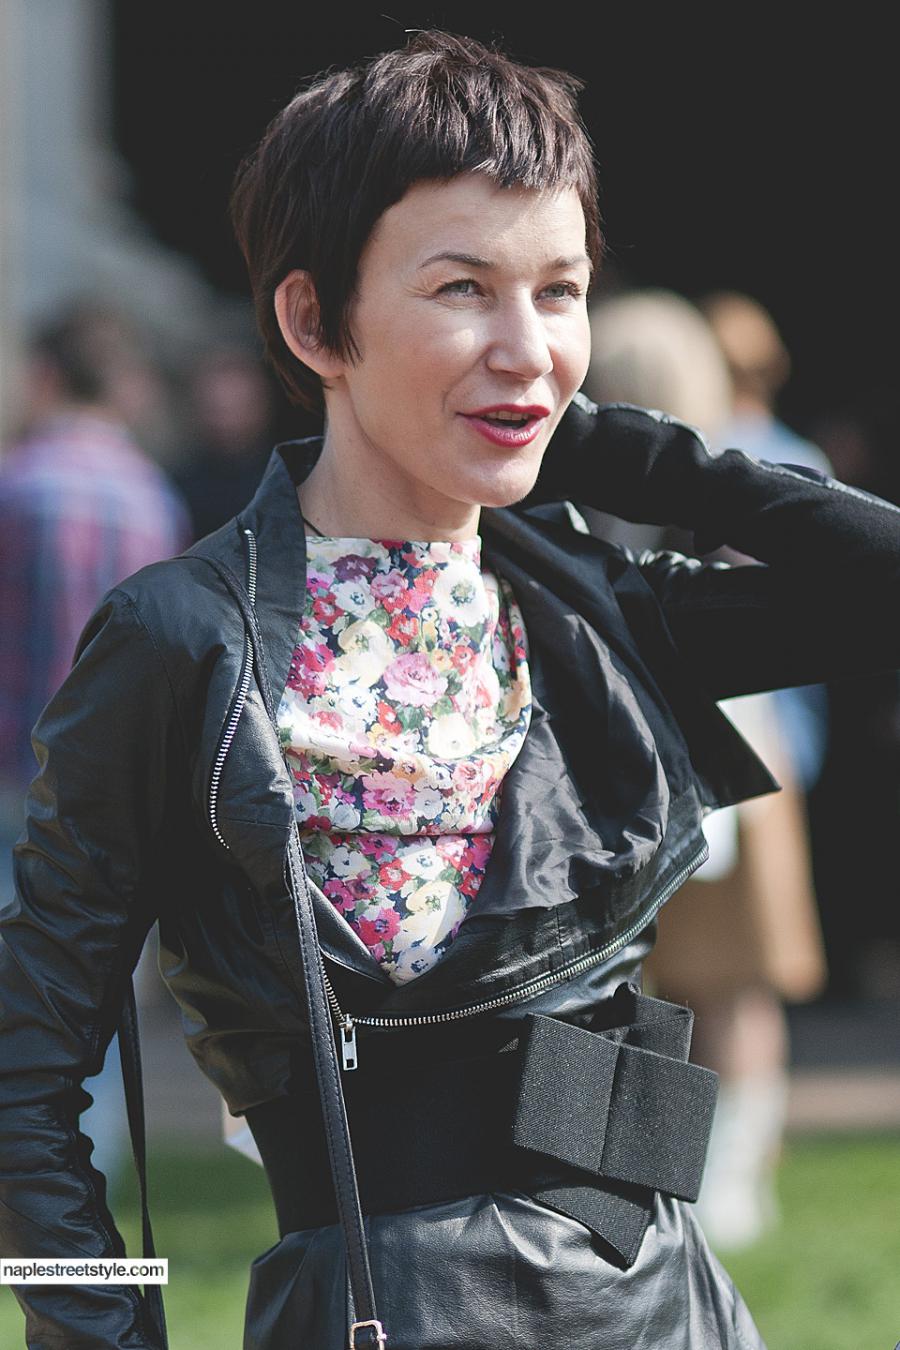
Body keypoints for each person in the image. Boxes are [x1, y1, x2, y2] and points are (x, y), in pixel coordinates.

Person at [0, 31, 897, 1350]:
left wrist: (616, 443)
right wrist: (103, 1337)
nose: (527, 345)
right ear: (315, 323)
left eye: (561, 291)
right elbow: (24, 1072)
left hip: (670, 1311)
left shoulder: (595, 610)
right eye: (464, 289)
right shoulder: (185, 640)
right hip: (381, 1314)